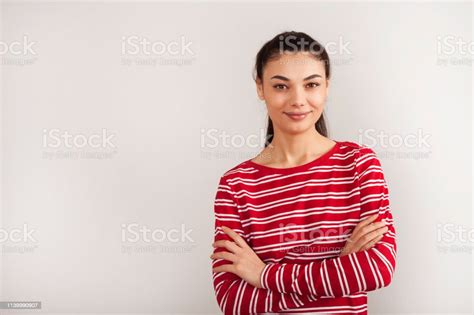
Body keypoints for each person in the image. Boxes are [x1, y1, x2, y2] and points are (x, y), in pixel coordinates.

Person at [210, 31, 397, 314]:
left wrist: (263, 275)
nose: (298, 100)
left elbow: (377, 269)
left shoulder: (359, 165)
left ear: (326, 87)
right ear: (261, 88)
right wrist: (338, 270)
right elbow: (234, 303)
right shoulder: (236, 185)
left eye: (311, 84)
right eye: (281, 86)